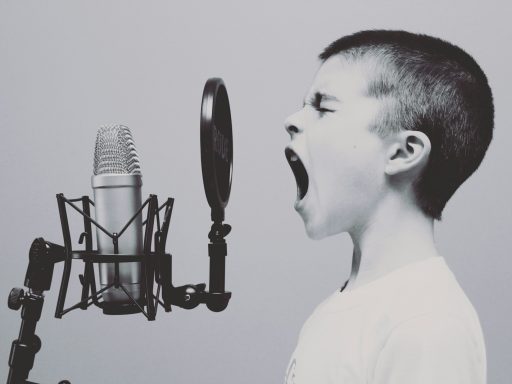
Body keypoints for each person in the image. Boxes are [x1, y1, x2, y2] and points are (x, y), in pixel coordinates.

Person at [283, 30, 493, 384]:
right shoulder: (339, 310)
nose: (292, 120)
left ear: (403, 152)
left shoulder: (427, 325)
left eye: (323, 106)